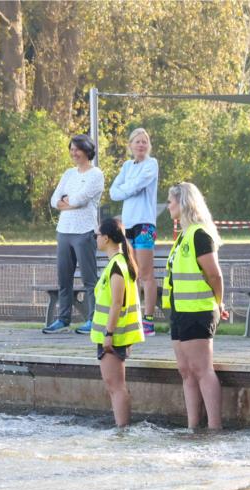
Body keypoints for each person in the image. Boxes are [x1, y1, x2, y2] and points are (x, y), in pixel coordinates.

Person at [162, 183, 229, 430]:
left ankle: (214, 427)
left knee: (202, 370)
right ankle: (193, 427)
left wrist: (219, 303)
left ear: (184, 203)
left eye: (171, 201)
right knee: (186, 371)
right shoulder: (183, 236)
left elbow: (215, 275)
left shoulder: (200, 234)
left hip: (198, 310)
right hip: (180, 311)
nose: (168, 206)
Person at [43, 134, 104, 334]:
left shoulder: (96, 175)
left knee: (89, 278)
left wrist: (68, 201)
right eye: (71, 149)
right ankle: (63, 319)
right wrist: (66, 201)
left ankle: (94, 319)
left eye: (77, 149)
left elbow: (80, 199)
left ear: (87, 150)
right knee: (64, 278)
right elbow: (54, 200)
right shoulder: (69, 173)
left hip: (84, 231)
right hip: (64, 231)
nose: (74, 153)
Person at [90, 217, 145, 427]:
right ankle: (121, 428)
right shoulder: (119, 262)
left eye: (96, 235)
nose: (95, 238)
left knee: (116, 386)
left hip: (114, 336)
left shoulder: (117, 266)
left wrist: (108, 334)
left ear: (105, 238)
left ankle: (122, 430)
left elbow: (116, 304)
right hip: (113, 334)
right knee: (114, 385)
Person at [110, 128, 159, 337]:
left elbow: (137, 186)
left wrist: (126, 189)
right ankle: (133, 315)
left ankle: (148, 319)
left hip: (145, 224)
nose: (141, 145)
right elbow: (114, 192)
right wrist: (127, 189)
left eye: (144, 142)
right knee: (131, 273)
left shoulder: (152, 164)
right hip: (128, 224)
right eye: (137, 142)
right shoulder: (127, 166)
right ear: (130, 145)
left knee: (146, 274)